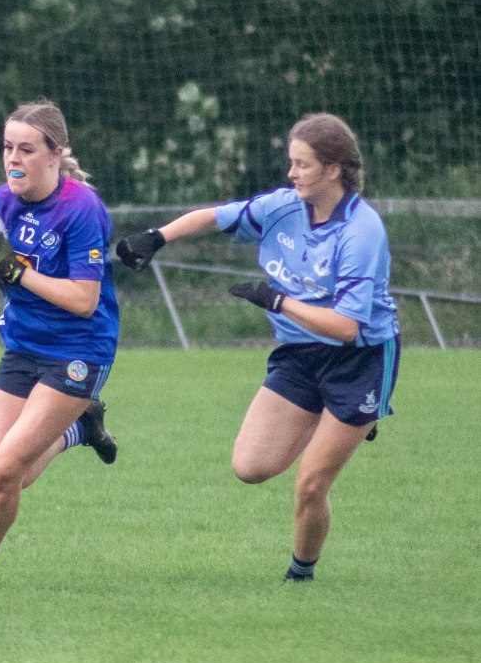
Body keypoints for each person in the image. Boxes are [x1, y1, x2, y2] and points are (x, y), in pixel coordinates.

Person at [116, 112, 399, 582]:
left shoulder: (361, 231)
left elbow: (347, 327)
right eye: (291, 162)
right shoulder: (283, 207)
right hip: (299, 354)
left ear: (333, 170)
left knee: (310, 484)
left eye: (302, 164)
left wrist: (279, 301)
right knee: (249, 466)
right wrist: (158, 237)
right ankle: (337, 420)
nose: (291, 173)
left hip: (360, 360)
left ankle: (300, 576)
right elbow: (216, 216)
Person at [0, 100, 120, 575]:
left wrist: (14, 268)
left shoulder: (81, 210)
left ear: (56, 154)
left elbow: (83, 299)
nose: (13, 158)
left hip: (78, 351)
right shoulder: (3, 201)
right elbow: (4, 273)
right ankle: (80, 429)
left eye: (26, 149)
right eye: (7, 147)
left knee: (6, 471)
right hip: (22, 346)